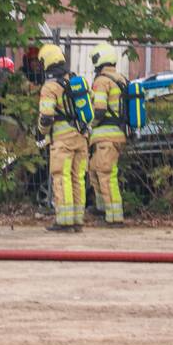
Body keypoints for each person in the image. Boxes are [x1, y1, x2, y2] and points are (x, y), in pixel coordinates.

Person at [37, 44, 88, 232]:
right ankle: (77, 221)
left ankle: (64, 221)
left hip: (63, 140)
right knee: (78, 179)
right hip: (81, 137)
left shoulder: (50, 87)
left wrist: (41, 131)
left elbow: (47, 116)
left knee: (62, 177)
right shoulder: (74, 81)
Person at [87, 42, 127, 226]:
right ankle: (102, 209)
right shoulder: (120, 78)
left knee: (106, 174)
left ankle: (114, 217)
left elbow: (100, 110)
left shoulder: (102, 81)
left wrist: (88, 126)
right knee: (94, 170)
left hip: (107, 138)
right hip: (114, 136)